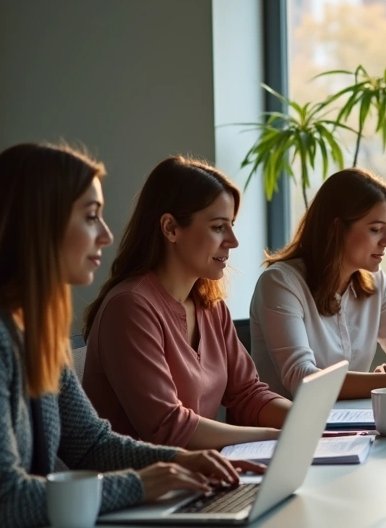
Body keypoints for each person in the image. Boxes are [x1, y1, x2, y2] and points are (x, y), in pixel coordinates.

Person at [0, 144, 259, 528]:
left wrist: (178, 461)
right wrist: (142, 484)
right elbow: (2, 501)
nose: (105, 234)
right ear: (38, 225)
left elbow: (92, 445)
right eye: (90, 217)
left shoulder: (33, 326)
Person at [82, 157, 290, 450]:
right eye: (219, 227)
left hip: (202, 477)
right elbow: (167, 428)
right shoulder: (129, 307)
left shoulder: (210, 305)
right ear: (170, 228)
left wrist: (309, 422)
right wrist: (275, 436)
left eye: (231, 225)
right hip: (148, 488)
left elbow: (247, 393)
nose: (233, 241)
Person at [249, 168, 386, 399]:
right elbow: (302, 380)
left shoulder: (375, 282)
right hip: (282, 430)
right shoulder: (280, 283)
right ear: (336, 229)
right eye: (375, 229)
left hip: (347, 425)